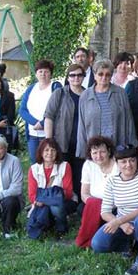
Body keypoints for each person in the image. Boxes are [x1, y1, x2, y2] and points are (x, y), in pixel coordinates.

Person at [91, 144, 138, 275]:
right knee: (97, 244)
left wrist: (119, 220)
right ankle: (129, 245)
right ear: (117, 163)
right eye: (123, 161)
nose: (128, 165)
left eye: (132, 160)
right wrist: (121, 224)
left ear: (137, 160)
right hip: (124, 225)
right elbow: (105, 212)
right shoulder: (112, 181)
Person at [76, 59, 136, 159]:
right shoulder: (85, 96)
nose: (104, 77)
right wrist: (82, 151)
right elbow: (81, 125)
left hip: (117, 147)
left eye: (107, 74)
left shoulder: (120, 93)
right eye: (100, 74)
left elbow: (129, 120)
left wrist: (131, 144)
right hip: (95, 151)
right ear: (94, 75)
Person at [44, 63, 85, 205]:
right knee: (63, 175)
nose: (76, 78)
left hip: (82, 144)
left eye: (79, 75)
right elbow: (49, 117)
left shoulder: (88, 94)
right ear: (68, 77)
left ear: (84, 77)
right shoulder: (60, 94)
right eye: (72, 75)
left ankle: (79, 204)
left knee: (80, 175)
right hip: (62, 143)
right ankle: (64, 204)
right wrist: (49, 142)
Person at [75, 136, 119, 248]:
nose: (98, 156)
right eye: (94, 152)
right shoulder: (88, 165)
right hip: (94, 205)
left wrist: (104, 206)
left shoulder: (118, 165)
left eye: (102, 152)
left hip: (114, 206)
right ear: (90, 153)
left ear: (109, 151)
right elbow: (84, 193)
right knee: (81, 208)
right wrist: (95, 204)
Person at [27, 138, 73, 238]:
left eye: (53, 150)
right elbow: (32, 195)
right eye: (46, 150)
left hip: (64, 201)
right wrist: (49, 198)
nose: (50, 153)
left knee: (55, 206)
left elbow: (68, 192)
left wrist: (47, 199)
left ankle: (62, 228)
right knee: (47, 208)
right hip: (41, 203)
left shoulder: (65, 166)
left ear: (57, 152)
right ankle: (47, 227)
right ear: (41, 152)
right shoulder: (34, 169)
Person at [19, 59, 61, 163]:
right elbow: (22, 110)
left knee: (50, 162)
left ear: (51, 73)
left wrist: (43, 123)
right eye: (40, 71)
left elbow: (58, 109)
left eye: (46, 71)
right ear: (36, 74)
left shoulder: (55, 87)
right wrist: (35, 123)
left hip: (49, 134)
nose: (43, 74)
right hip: (33, 134)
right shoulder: (31, 88)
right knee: (35, 162)